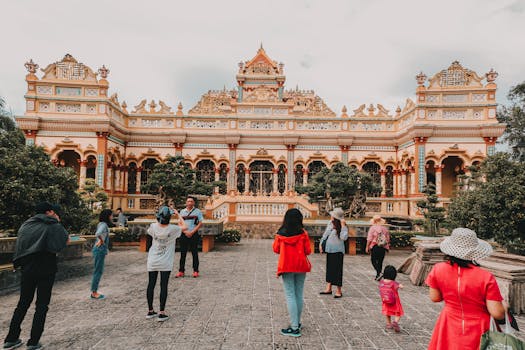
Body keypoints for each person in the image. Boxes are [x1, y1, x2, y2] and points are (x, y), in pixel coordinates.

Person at [425, 228, 505, 350]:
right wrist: (506, 306)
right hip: (479, 327)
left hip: (449, 323)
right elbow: (497, 313)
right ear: (474, 252)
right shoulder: (485, 277)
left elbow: (435, 298)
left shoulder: (438, 269)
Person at [3, 202, 69, 350]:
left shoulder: (26, 225)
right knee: (42, 305)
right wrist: (57, 223)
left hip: (27, 268)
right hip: (46, 268)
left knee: (23, 303)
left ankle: (11, 339)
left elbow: (21, 245)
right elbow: (63, 243)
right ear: (50, 212)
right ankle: (33, 342)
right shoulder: (53, 224)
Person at [273, 208, 312, 337]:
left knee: (290, 295)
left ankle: (294, 327)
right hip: (300, 265)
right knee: (298, 294)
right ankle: (297, 322)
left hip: (287, 266)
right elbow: (308, 250)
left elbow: (276, 249)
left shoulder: (280, 234)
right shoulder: (303, 233)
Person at [146, 206, 186, 322]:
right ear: (169, 218)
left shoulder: (153, 226)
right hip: (165, 261)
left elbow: (155, 224)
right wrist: (178, 214)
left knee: (151, 284)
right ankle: (161, 312)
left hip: (152, 260)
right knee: (163, 285)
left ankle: (150, 310)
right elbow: (185, 226)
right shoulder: (173, 229)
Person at [319, 208, 348, 298]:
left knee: (337, 270)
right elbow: (325, 234)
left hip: (338, 251)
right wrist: (321, 243)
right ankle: (329, 287)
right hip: (329, 249)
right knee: (329, 269)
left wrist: (343, 226)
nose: (331, 216)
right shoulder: (330, 223)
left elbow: (344, 237)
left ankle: (339, 290)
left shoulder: (343, 226)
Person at [175, 197, 204, 278]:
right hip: (184, 234)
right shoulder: (182, 212)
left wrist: (192, 232)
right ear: (186, 203)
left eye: (191, 201)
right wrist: (185, 232)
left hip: (194, 234)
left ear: (194, 203)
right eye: (188, 201)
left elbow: (200, 223)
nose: (190, 203)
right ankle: (181, 271)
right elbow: (179, 223)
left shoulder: (197, 212)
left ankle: (195, 271)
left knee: (194, 253)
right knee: (182, 253)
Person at [90, 209, 112, 300]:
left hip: (98, 250)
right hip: (100, 250)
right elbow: (98, 233)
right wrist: (102, 240)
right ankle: (94, 293)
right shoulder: (104, 225)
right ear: (107, 216)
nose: (112, 217)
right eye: (111, 215)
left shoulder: (100, 224)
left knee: (98, 271)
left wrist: (101, 240)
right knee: (98, 271)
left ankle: (94, 291)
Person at [379, 265, 404, 333]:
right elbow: (401, 286)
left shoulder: (382, 282)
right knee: (398, 312)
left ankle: (388, 324)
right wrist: (401, 286)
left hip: (385, 301)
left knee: (387, 312)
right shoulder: (393, 283)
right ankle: (395, 322)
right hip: (394, 301)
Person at [365, 215, 390, 280]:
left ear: (374, 221)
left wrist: (367, 247)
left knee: (373, 260)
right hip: (382, 247)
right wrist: (387, 247)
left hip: (375, 246)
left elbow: (369, 239)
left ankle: (379, 273)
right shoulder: (385, 228)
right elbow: (387, 239)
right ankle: (378, 275)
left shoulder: (372, 228)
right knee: (380, 261)